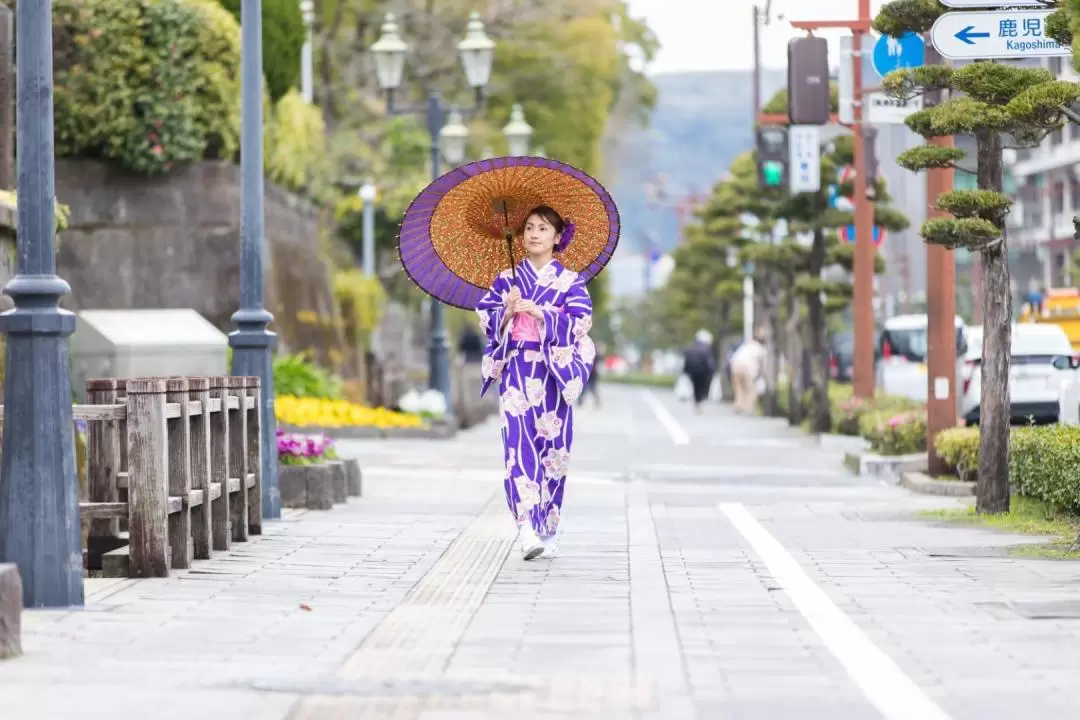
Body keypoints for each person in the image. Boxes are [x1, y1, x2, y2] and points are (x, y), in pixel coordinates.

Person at [475, 205, 596, 560]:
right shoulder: (506, 279)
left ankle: (549, 527)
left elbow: (580, 323)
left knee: (553, 453)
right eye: (528, 227)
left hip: (552, 375)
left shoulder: (572, 282)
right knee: (517, 449)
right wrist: (508, 311)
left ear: (558, 238)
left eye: (543, 228)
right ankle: (526, 528)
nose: (533, 234)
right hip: (516, 372)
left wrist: (542, 313)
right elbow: (486, 317)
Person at [730, 328, 767, 414]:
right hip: (749, 368)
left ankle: (738, 405)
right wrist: (762, 375)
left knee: (738, 389)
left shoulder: (746, 345)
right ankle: (749, 409)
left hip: (735, 365)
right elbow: (763, 365)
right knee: (750, 390)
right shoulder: (761, 349)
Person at [682, 329, 716, 413]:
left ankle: (697, 401)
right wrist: (712, 370)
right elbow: (709, 361)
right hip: (703, 371)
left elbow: (686, 360)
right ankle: (699, 401)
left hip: (692, 371)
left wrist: (685, 371)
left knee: (695, 386)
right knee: (702, 386)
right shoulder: (706, 348)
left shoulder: (691, 347)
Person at [578, 340, 604, 409]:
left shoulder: (599, 356)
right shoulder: (591, 354)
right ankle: (580, 401)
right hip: (588, 374)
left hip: (594, 375)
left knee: (593, 389)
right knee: (585, 388)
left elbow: (600, 366)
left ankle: (597, 402)